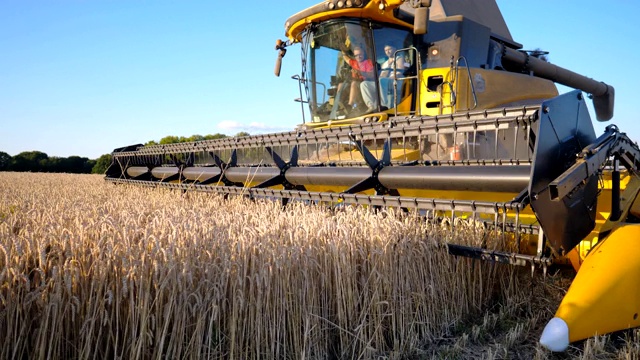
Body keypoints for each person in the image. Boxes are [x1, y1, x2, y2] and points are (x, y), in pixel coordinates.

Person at [341, 46, 376, 113]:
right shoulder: (354, 63)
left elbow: (371, 75)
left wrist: (359, 72)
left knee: (354, 83)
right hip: (357, 84)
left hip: (366, 83)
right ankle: (340, 106)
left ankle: (349, 105)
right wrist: (342, 50)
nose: (358, 57)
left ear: (364, 54)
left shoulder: (368, 62)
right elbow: (346, 58)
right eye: (356, 55)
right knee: (341, 85)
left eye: (360, 54)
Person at [377, 44, 408, 108]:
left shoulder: (400, 58)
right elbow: (382, 76)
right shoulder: (385, 63)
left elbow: (401, 71)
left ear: (395, 49)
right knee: (365, 84)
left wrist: (391, 78)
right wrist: (389, 64)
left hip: (397, 80)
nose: (387, 52)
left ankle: (383, 104)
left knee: (381, 80)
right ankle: (372, 105)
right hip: (386, 81)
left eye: (389, 49)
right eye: (386, 50)